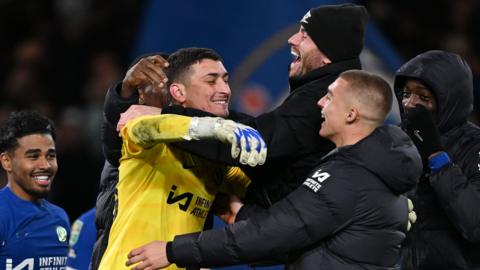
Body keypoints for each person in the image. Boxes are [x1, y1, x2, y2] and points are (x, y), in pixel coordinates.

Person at [125, 70, 422, 270]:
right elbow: (296, 233)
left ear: (351, 114)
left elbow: (271, 234)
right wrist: (242, 215)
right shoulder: (370, 169)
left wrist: (173, 251)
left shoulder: (350, 176)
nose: (320, 102)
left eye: (329, 96)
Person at [97, 47, 265, 269]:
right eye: (211, 81)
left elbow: (260, 186)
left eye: (226, 80)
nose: (225, 89)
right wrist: (214, 126)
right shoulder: (142, 128)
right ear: (178, 92)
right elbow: (153, 127)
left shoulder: (216, 160)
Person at [395, 50, 480, 269]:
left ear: (451, 101)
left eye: (423, 97)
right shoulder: (394, 141)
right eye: (406, 94)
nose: (409, 104)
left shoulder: (474, 147)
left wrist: (435, 155)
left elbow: (475, 224)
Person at [0, 111, 70, 269]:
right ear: (7, 161)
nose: (45, 165)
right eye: (33, 156)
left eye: (50, 156)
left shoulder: (60, 218)